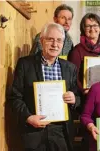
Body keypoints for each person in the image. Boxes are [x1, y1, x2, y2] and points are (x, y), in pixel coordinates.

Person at [8, 23, 79, 151]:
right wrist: (28, 118)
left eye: (59, 40)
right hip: (33, 132)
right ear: (41, 40)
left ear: (63, 44)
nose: (55, 44)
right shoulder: (25, 64)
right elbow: (15, 97)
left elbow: (78, 98)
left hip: (61, 132)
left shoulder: (70, 68)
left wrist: (74, 99)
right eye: (50, 39)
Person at [68, 13, 100, 104]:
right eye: (88, 26)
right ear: (83, 29)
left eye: (95, 25)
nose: (92, 29)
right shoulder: (77, 51)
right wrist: (83, 90)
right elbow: (73, 77)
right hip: (87, 97)